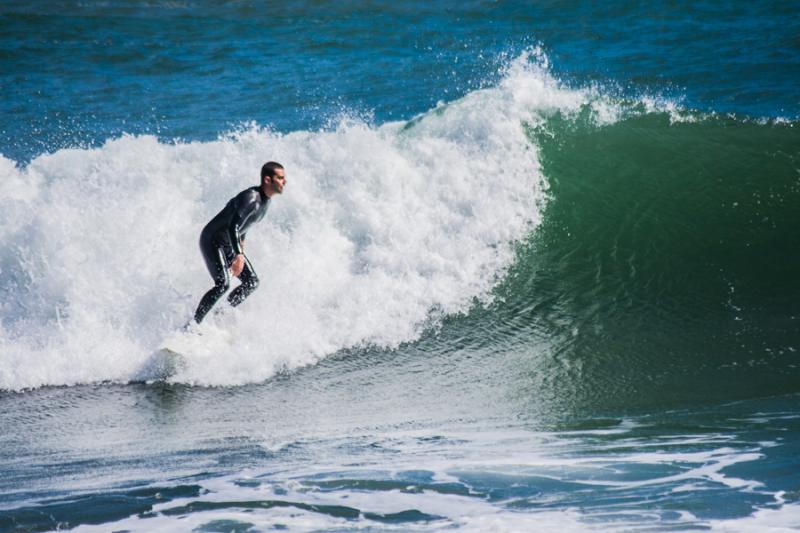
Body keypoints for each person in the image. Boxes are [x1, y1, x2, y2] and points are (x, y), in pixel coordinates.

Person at [192, 161, 286, 324]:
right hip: (212, 239)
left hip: (228, 242)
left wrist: (241, 244)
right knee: (223, 284)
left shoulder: (265, 201)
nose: (285, 181)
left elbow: (244, 225)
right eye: (280, 178)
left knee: (251, 282)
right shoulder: (251, 198)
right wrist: (239, 255)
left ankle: (219, 317)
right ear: (267, 180)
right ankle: (193, 325)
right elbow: (233, 225)